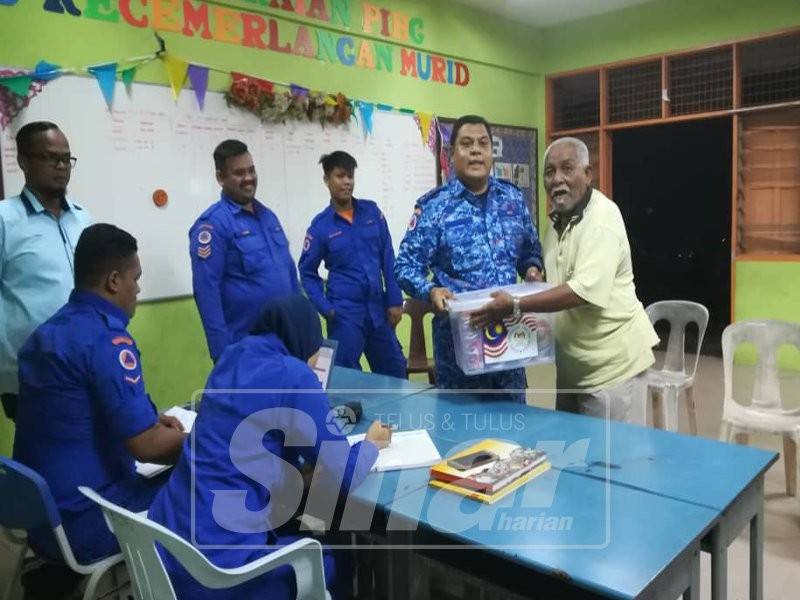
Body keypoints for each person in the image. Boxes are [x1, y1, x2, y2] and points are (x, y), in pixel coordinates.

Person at [148, 294, 390, 600]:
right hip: (220, 573)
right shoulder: (293, 373)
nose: (311, 365)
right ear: (304, 339)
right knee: (333, 558)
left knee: (294, 520)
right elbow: (340, 473)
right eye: (312, 357)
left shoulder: (231, 357)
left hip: (166, 551)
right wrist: (370, 445)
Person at [12, 224, 186, 570]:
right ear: (113, 281)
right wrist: (207, 441)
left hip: (43, 522)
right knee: (206, 483)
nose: (138, 288)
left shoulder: (45, 335)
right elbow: (147, 447)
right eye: (135, 278)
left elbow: (75, 412)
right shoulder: (107, 340)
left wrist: (151, 421)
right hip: (88, 521)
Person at [469, 137, 659, 422]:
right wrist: (536, 276)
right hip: (572, 369)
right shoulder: (555, 223)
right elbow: (559, 279)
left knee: (612, 461)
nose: (557, 179)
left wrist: (517, 304)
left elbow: (582, 291)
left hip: (612, 370)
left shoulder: (602, 218)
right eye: (550, 171)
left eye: (567, 169)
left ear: (587, 174)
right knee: (574, 456)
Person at [394, 115, 543, 399]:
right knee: (462, 435)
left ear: (491, 152)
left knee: (515, 432)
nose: (476, 151)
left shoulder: (512, 199)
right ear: (451, 154)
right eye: (466, 144)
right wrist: (430, 290)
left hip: (510, 346)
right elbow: (405, 266)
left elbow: (530, 251)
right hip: (460, 353)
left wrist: (533, 269)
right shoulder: (435, 207)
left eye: (483, 144)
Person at [0, 121, 91, 421]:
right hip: (29, 375)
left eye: (66, 158)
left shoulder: (82, 218)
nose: (61, 165)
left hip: (86, 364)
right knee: (40, 456)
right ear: (23, 161)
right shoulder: (5, 219)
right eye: (51, 157)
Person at [298, 151, 407, 378]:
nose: (347, 182)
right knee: (345, 377)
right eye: (340, 176)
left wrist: (395, 299)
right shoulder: (320, 227)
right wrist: (326, 308)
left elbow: (388, 257)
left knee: (395, 372)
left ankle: (396, 415)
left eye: (350, 176)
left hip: (378, 310)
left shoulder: (372, 212)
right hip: (345, 314)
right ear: (327, 179)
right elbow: (307, 272)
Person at [190, 139, 299, 361]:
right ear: (221, 178)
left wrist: (303, 328)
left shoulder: (269, 217)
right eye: (239, 173)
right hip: (246, 348)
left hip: (287, 340)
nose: (248, 177)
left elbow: (289, 273)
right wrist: (222, 355)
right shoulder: (213, 225)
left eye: (251, 170)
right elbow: (206, 291)